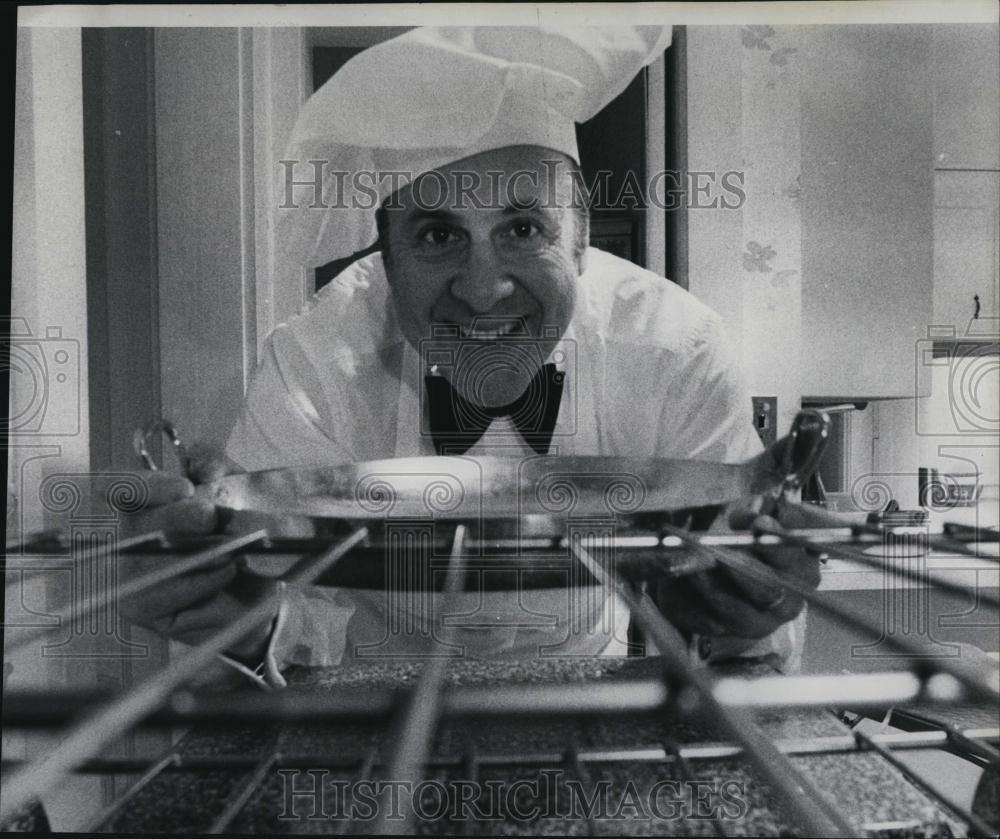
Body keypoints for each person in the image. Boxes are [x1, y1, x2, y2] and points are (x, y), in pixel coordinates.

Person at [119, 25, 819, 689]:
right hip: (369, 712)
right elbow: (291, 619)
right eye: (436, 235)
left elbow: (738, 598)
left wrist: (736, 611)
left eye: (522, 228)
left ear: (579, 243)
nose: (484, 289)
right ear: (384, 257)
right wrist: (237, 614)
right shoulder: (313, 359)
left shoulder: (677, 349)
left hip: (591, 698)